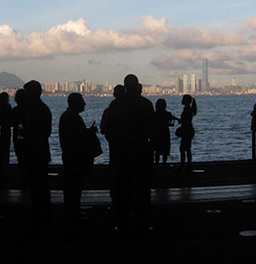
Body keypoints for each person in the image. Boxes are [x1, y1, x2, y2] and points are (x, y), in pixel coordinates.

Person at [107, 74, 155, 239]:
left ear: (125, 86)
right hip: (142, 152)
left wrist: (115, 144)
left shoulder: (115, 105)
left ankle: (122, 223)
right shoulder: (146, 105)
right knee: (143, 191)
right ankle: (143, 223)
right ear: (137, 86)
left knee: (122, 191)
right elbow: (153, 129)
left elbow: (108, 129)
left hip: (121, 153)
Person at [17, 80, 52, 237]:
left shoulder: (35, 110)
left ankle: (40, 213)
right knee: (40, 184)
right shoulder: (41, 109)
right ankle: (41, 212)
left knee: (38, 184)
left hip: (35, 151)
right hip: (39, 151)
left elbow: (41, 132)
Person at [59, 92, 97, 232]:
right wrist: (90, 133)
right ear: (76, 103)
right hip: (75, 158)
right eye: (81, 101)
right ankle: (73, 214)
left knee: (72, 187)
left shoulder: (67, 117)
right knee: (74, 187)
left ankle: (72, 212)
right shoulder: (73, 119)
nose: (84, 104)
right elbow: (78, 139)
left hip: (70, 157)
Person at [177, 94, 198, 173]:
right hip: (189, 130)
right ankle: (188, 165)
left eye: (183, 99)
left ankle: (183, 165)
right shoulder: (188, 109)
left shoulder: (187, 110)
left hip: (186, 130)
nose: (181, 100)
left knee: (183, 149)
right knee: (187, 148)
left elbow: (184, 121)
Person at [151, 98, 176, 165]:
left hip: (157, 133)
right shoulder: (167, 114)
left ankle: (156, 164)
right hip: (165, 133)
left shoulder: (154, 114)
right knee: (165, 151)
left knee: (157, 151)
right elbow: (172, 119)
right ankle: (164, 165)